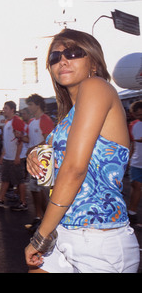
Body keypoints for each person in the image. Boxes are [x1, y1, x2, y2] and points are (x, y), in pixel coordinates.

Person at [25, 28, 140, 273]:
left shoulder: (97, 86)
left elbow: (75, 169)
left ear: (94, 63)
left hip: (99, 240)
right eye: (55, 57)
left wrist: (40, 236)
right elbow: (62, 156)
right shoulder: (68, 115)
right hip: (65, 232)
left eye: (73, 52)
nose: (62, 60)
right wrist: (34, 153)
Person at [24, 94, 54, 232]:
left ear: (37, 105)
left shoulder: (45, 120)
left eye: (30, 104)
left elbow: (49, 140)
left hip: (44, 159)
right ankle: (38, 217)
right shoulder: (31, 121)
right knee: (34, 190)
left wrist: (33, 148)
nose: (28, 107)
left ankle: (49, 223)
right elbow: (30, 139)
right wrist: (21, 137)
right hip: (34, 160)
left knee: (45, 191)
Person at [0, 101, 27, 210]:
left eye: (6, 108)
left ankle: (23, 203)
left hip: (15, 158)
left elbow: (20, 141)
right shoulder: (7, 122)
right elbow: (7, 141)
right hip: (7, 157)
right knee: (5, 179)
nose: (3, 110)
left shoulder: (17, 121)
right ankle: (0, 199)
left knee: (20, 181)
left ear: (12, 110)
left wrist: (17, 157)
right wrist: (3, 154)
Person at [128, 100, 142, 227]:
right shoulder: (134, 125)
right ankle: (132, 214)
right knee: (136, 186)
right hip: (137, 162)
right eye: (137, 115)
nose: (139, 117)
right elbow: (133, 143)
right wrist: (129, 159)